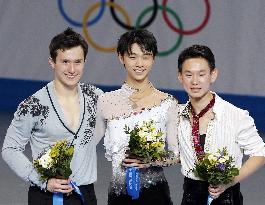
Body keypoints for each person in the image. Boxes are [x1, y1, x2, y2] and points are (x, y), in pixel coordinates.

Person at [2, 27, 103, 205]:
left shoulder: (96, 96)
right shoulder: (33, 105)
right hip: (46, 196)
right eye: (65, 62)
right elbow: (10, 149)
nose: (72, 69)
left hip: (85, 195)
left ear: (85, 61)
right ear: (52, 62)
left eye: (78, 62)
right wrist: (42, 180)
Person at [95, 29, 180, 205]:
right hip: (119, 194)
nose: (140, 63)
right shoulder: (106, 102)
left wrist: (150, 160)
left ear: (153, 59)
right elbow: (86, 145)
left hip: (156, 194)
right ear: (121, 58)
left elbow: (175, 154)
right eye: (133, 57)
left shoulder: (168, 103)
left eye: (146, 56)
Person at [176, 44, 265, 205]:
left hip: (226, 197)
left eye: (201, 74)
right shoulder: (175, 115)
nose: (195, 81)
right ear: (180, 77)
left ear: (213, 75)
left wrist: (231, 180)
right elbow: (177, 155)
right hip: (190, 195)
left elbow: (260, 152)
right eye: (188, 74)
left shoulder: (236, 115)